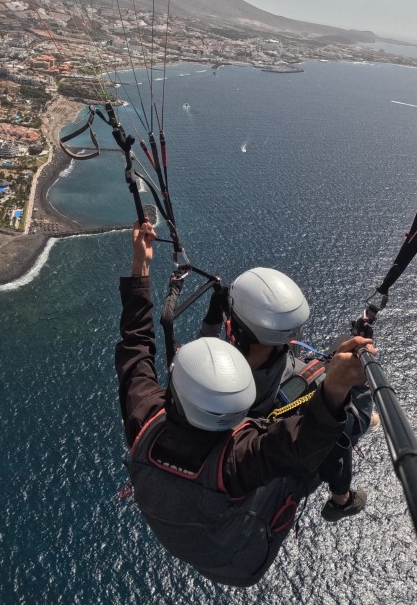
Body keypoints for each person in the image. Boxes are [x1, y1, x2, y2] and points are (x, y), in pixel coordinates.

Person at [115, 220, 375, 587]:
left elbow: (135, 348)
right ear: (238, 422)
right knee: (344, 429)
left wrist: (140, 269)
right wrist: (338, 388)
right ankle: (342, 498)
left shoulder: (146, 415)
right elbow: (299, 447)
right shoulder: (237, 460)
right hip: (243, 559)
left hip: (188, 532)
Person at [198, 266, 374, 521]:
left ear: (231, 324)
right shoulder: (313, 385)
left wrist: (212, 318)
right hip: (286, 459)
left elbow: (201, 347)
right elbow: (353, 427)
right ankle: (341, 499)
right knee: (338, 433)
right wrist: (353, 385)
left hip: (231, 453)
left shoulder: (208, 370)